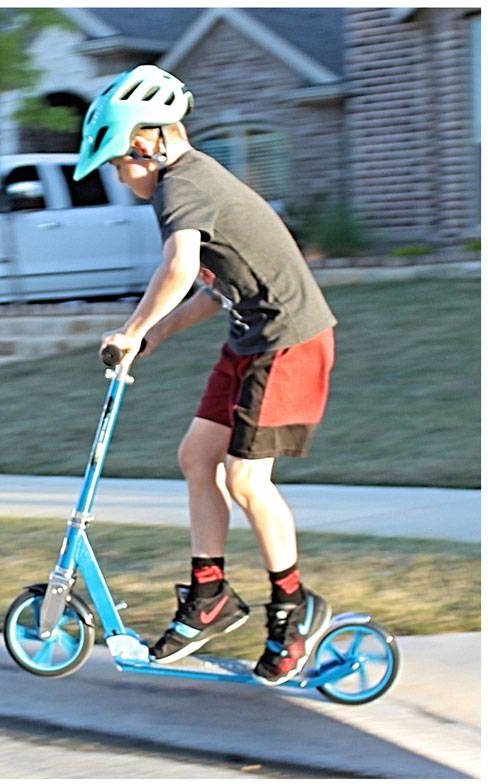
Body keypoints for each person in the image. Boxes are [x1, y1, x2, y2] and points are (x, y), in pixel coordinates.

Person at [74, 65, 337, 685]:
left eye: (118, 162)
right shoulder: (191, 183)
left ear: (147, 142)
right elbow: (211, 288)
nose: (118, 175)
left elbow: (178, 265)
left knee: (246, 481)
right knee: (198, 457)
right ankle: (211, 595)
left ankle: (294, 608)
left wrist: (133, 329)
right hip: (252, 337)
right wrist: (153, 337)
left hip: (289, 341)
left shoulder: (182, 183)